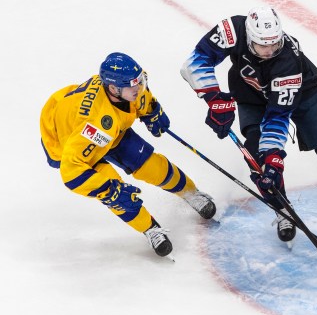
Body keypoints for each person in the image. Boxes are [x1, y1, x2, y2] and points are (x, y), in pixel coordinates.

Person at [180, 6, 317, 246]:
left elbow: (277, 116)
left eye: (275, 44)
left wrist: (274, 157)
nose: (270, 50)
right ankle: (282, 210)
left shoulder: (287, 63)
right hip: (251, 91)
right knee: (257, 160)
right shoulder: (233, 29)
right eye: (263, 45)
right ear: (250, 37)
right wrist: (215, 100)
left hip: (303, 92)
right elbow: (195, 62)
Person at [40, 52, 216, 258]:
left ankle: (191, 193)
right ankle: (150, 229)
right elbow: (71, 172)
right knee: (118, 196)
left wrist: (151, 109)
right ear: (113, 89)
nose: (139, 88)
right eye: (134, 85)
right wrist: (108, 189)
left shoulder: (126, 89)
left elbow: (140, 94)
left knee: (151, 166)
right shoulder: (96, 124)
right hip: (68, 141)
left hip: (104, 128)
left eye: (139, 82)